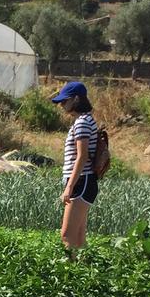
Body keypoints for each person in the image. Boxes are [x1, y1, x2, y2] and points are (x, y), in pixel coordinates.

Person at [51, 81, 106, 255]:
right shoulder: (85, 120)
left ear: (76, 99)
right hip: (84, 182)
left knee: (67, 236)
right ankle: (83, 272)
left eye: (64, 101)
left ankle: (69, 277)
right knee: (79, 238)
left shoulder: (82, 123)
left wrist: (69, 187)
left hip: (82, 182)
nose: (61, 105)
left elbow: (81, 157)